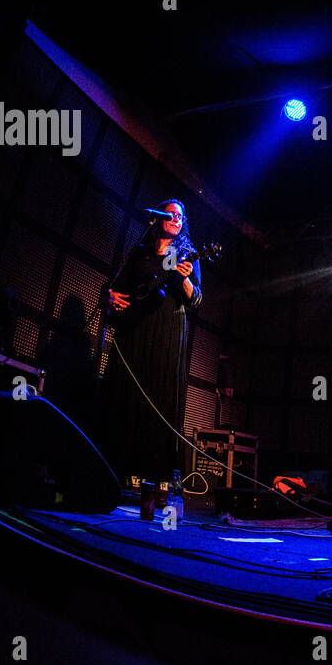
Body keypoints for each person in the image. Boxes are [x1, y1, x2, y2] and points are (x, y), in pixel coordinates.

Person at [99, 200, 202, 487]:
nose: (176, 219)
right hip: (133, 328)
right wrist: (109, 298)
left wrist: (183, 280)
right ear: (158, 219)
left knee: (159, 396)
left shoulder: (187, 254)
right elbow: (116, 288)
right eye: (170, 214)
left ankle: (157, 474)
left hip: (167, 329)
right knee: (124, 394)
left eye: (181, 216)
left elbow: (196, 300)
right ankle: (117, 468)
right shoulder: (139, 252)